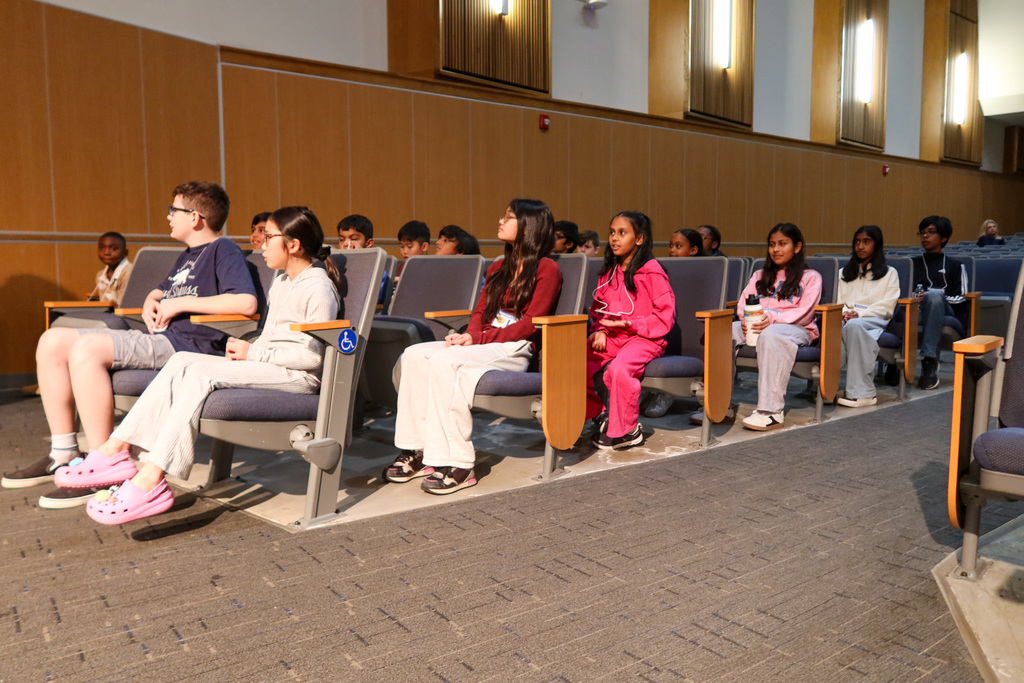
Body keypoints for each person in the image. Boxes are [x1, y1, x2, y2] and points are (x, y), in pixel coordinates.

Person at [74, 207, 341, 525]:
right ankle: (116, 448)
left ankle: (151, 479)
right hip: (273, 367)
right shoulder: (282, 281)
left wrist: (253, 353)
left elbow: (314, 359)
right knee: (182, 360)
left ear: (293, 245)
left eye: (268, 237)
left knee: (200, 372)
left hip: (298, 377)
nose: (261, 244)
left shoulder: (318, 287)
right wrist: (254, 350)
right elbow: (274, 341)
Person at [1, 181, 258, 509]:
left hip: (187, 347)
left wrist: (180, 305)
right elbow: (164, 291)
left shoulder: (223, 250)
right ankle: (63, 452)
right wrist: (154, 297)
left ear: (195, 218)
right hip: (162, 339)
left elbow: (246, 302)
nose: (168, 217)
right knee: (51, 341)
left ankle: (103, 465)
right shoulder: (188, 256)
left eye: (173, 210)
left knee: (86, 349)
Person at [383, 199, 561, 494]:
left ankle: (458, 463)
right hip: (486, 343)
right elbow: (479, 312)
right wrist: (468, 335)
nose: (501, 221)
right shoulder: (499, 267)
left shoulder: (547, 268)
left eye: (509, 217)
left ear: (530, 226)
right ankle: (416, 450)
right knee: (414, 354)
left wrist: (476, 339)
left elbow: (532, 323)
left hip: (515, 348)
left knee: (444, 362)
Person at [587, 212, 675, 449]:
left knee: (619, 368)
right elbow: (599, 311)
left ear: (639, 239)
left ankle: (627, 430)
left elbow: (665, 318)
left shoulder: (652, 271)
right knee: (575, 359)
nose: (615, 238)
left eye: (622, 233)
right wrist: (600, 331)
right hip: (614, 336)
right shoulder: (608, 273)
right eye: (612, 232)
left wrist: (632, 325)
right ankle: (599, 414)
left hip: (645, 338)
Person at [734, 223, 822, 431]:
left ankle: (771, 411)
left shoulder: (811, 277)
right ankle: (717, 404)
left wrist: (770, 319)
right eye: (772, 244)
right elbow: (743, 303)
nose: (775, 249)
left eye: (782, 244)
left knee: (771, 334)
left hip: (796, 329)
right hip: (759, 325)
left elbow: (806, 312)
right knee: (724, 331)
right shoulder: (759, 275)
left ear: (797, 247)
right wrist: (747, 321)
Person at [835, 226, 900, 408]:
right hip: (846, 318)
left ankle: (863, 393)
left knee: (855, 326)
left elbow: (887, 305)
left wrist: (859, 314)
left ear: (876, 244)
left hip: (874, 318)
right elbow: (837, 300)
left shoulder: (890, 273)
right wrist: (843, 313)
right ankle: (826, 388)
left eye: (866, 242)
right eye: (857, 242)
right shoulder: (843, 273)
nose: (860, 246)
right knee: (834, 328)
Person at [912, 215, 969, 390]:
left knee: (935, 296)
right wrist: (916, 298)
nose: (925, 237)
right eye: (922, 233)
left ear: (943, 238)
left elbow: (962, 297)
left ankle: (929, 360)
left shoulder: (955, 266)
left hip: (946, 310)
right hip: (916, 309)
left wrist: (935, 295)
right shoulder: (911, 264)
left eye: (930, 232)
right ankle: (894, 363)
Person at [90, 232, 133, 305]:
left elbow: (124, 306)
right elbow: (103, 305)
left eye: (114, 249)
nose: (106, 252)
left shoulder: (130, 272)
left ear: (125, 253)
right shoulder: (100, 275)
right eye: (102, 248)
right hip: (109, 315)